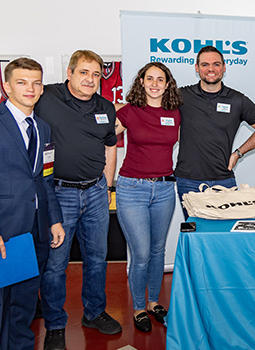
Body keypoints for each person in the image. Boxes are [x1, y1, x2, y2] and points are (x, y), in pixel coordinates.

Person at [0, 58, 65, 349]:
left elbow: (45, 178)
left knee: (24, 304)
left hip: (35, 232)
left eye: (36, 82)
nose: (30, 88)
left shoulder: (42, 128)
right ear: (6, 86)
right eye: (22, 82)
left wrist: (54, 219)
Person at [35, 50, 120, 350]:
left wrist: (107, 186)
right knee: (56, 265)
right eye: (84, 72)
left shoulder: (106, 108)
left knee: (97, 259)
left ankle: (94, 313)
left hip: (96, 192)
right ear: (70, 72)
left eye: (96, 74)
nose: (90, 79)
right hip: (59, 194)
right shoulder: (47, 98)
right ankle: (55, 324)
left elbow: (111, 146)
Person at [113, 62, 181, 332]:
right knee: (140, 254)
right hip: (132, 188)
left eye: (160, 79)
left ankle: (153, 302)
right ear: (141, 82)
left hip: (164, 188)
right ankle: (138, 307)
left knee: (157, 250)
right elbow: (101, 137)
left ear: (167, 84)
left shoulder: (176, 113)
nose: (154, 83)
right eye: (149, 78)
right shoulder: (129, 111)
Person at [174, 45, 255, 219]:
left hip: (223, 180)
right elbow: (151, 110)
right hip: (188, 180)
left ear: (224, 68)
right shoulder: (181, 96)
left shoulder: (237, 99)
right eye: (205, 65)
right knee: (196, 234)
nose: (210, 69)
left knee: (222, 236)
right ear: (197, 68)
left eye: (216, 64)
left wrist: (238, 153)